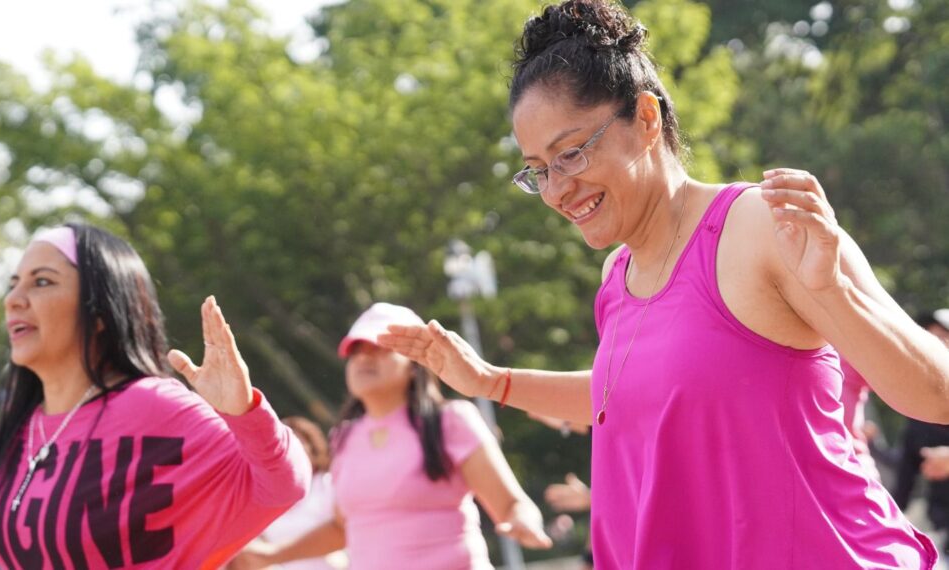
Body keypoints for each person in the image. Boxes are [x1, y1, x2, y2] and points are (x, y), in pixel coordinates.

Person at [377, 1, 949, 567]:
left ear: (647, 119)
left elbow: (937, 396)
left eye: (570, 153)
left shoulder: (760, 226)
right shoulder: (616, 275)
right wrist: (490, 380)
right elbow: (637, 392)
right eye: (538, 170)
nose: (555, 190)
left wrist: (833, 293)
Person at [0, 224, 311, 569]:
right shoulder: (30, 424)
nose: (14, 298)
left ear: (99, 312)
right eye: (13, 284)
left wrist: (243, 411)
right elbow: (5, 510)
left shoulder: (155, 407)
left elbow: (283, 483)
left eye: (42, 282)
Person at [236, 303, 551, 570]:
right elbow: (342, 528)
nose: (364, 358)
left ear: (416, 363)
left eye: (379, 347)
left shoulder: (451, 421)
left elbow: (512, 505)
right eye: (355, 350)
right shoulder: (344, 439)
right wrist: (272, 556)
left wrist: (523, 521)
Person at [235, 416, 346, 570]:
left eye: (295, 443)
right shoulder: (259, 491)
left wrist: (273, 555)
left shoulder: (330, 486)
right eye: (279, 444)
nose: (286, 450)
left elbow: (343, 531)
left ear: (312, 449)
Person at [893, 310, 949, 554]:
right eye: (929, 339)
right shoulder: (917, 410)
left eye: (943, 339)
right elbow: (905, 476)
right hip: (941, 531)